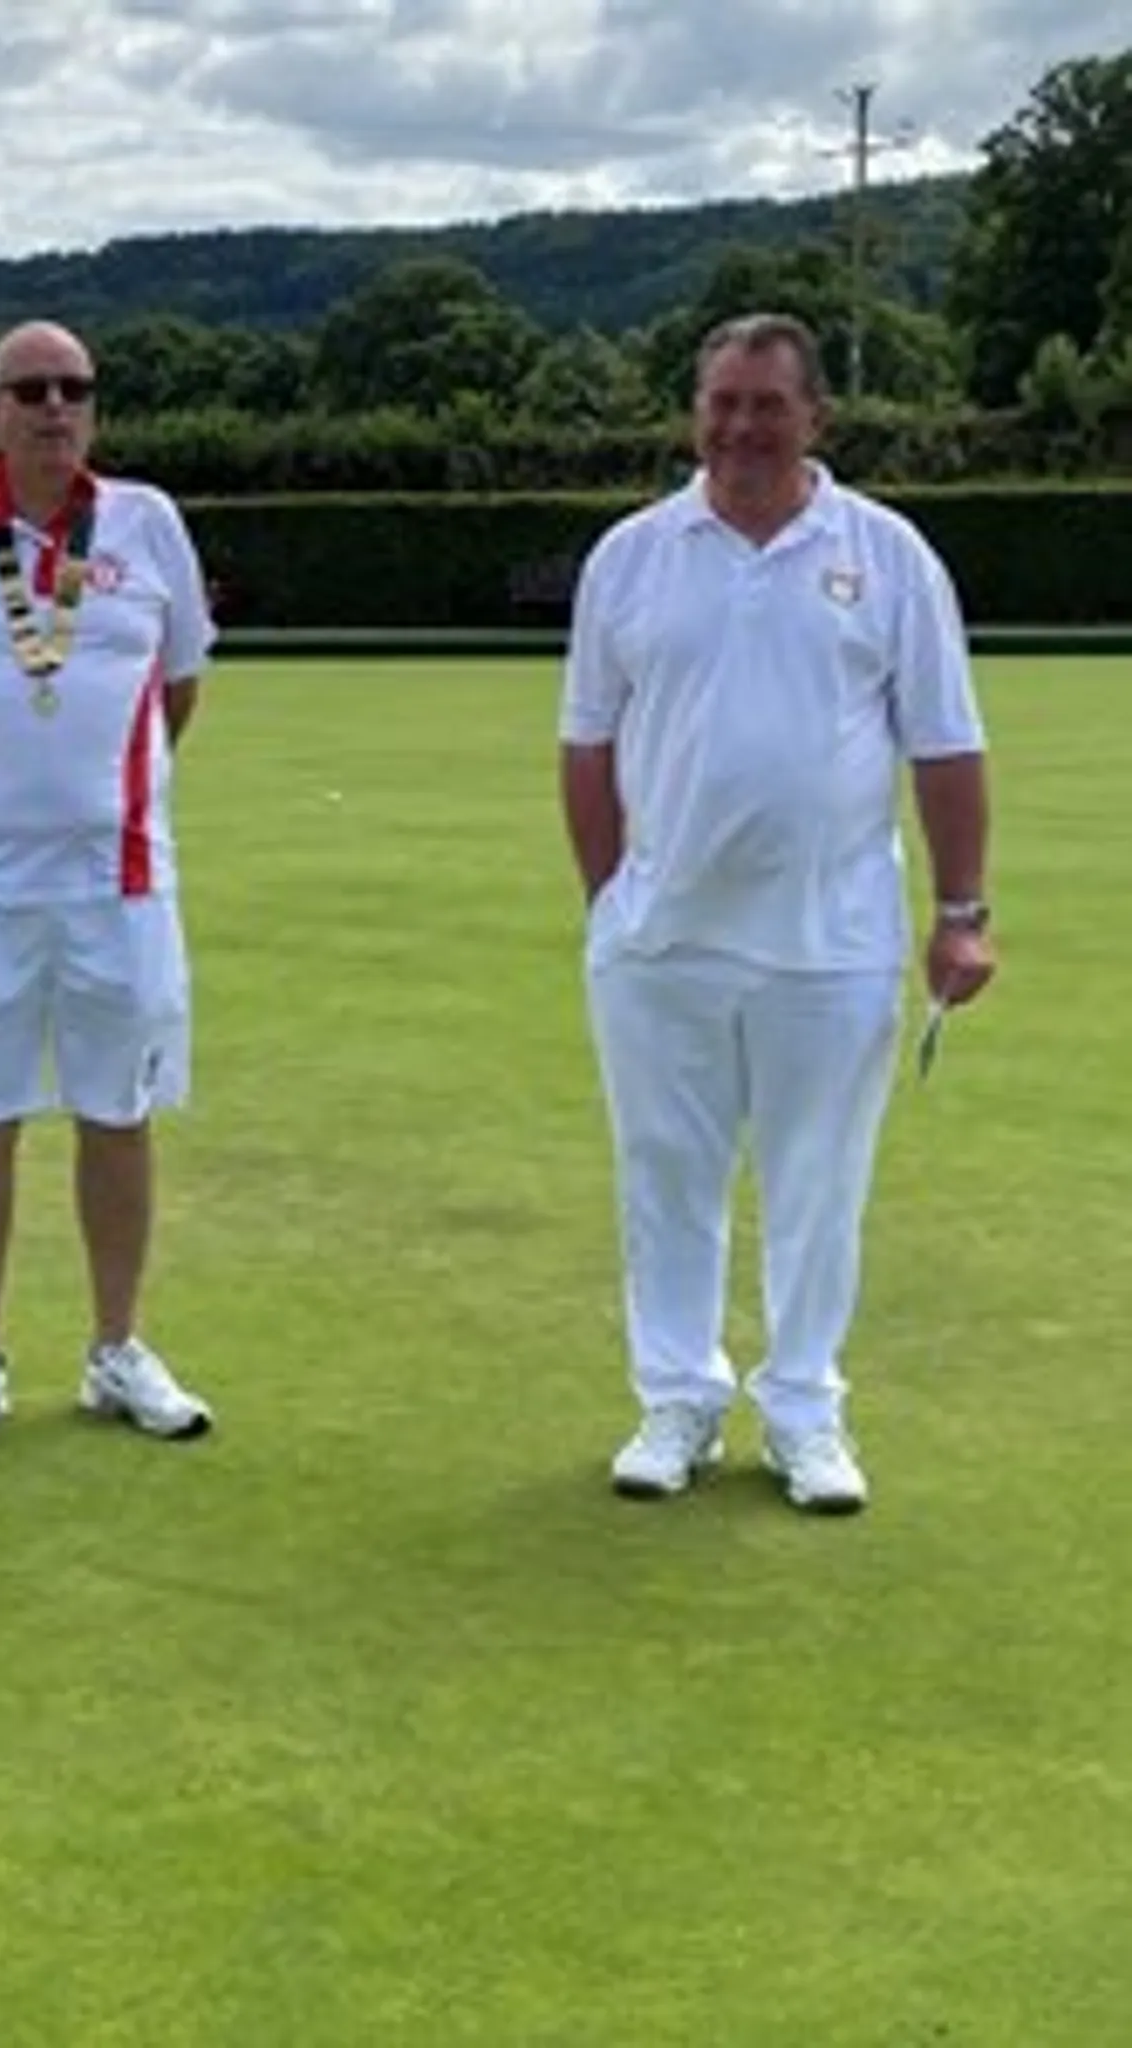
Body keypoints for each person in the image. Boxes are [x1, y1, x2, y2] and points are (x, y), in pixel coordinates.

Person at [559, 312, 994, 1515]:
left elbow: (945, 742)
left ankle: (803, 1410)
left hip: (831, 940)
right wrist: (614, 905)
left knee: (816, 1182)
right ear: (693, 411)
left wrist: (960, 911)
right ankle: (676, 1400)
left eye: (765, 403)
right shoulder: (631, 556)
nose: (740, 425)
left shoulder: (888, 555)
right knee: (665, 1177)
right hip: (661, 944)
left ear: (814, 416)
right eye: (720, 402)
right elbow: (587, 746)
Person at [0, 320, 218, 1452]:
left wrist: (96, 795)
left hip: (120, 881)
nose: (54, 406)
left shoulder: (146, 522)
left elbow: (177, 688)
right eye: (29, 390)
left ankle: (117, 1347)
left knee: (118, 1111)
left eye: (73, 389)